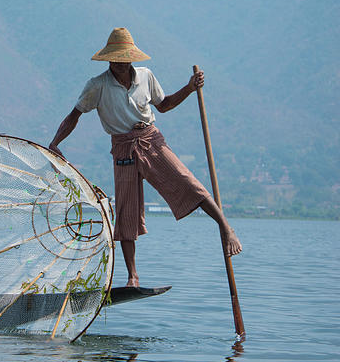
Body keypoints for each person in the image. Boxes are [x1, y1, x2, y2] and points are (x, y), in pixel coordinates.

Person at [49, 27, 242, 288]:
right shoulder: (97, 86)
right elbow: (74, 115)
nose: (119, 63)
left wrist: (189, 88)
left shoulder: (146, 76)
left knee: (187, 180)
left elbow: (164, 105)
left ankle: (225, 227)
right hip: (123, 148)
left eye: (123, 58)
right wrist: (55, 142)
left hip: (151, 139)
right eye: (115, 59)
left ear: (130, 58)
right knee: (126, 210)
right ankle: (133, 276)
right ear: (109, 59)